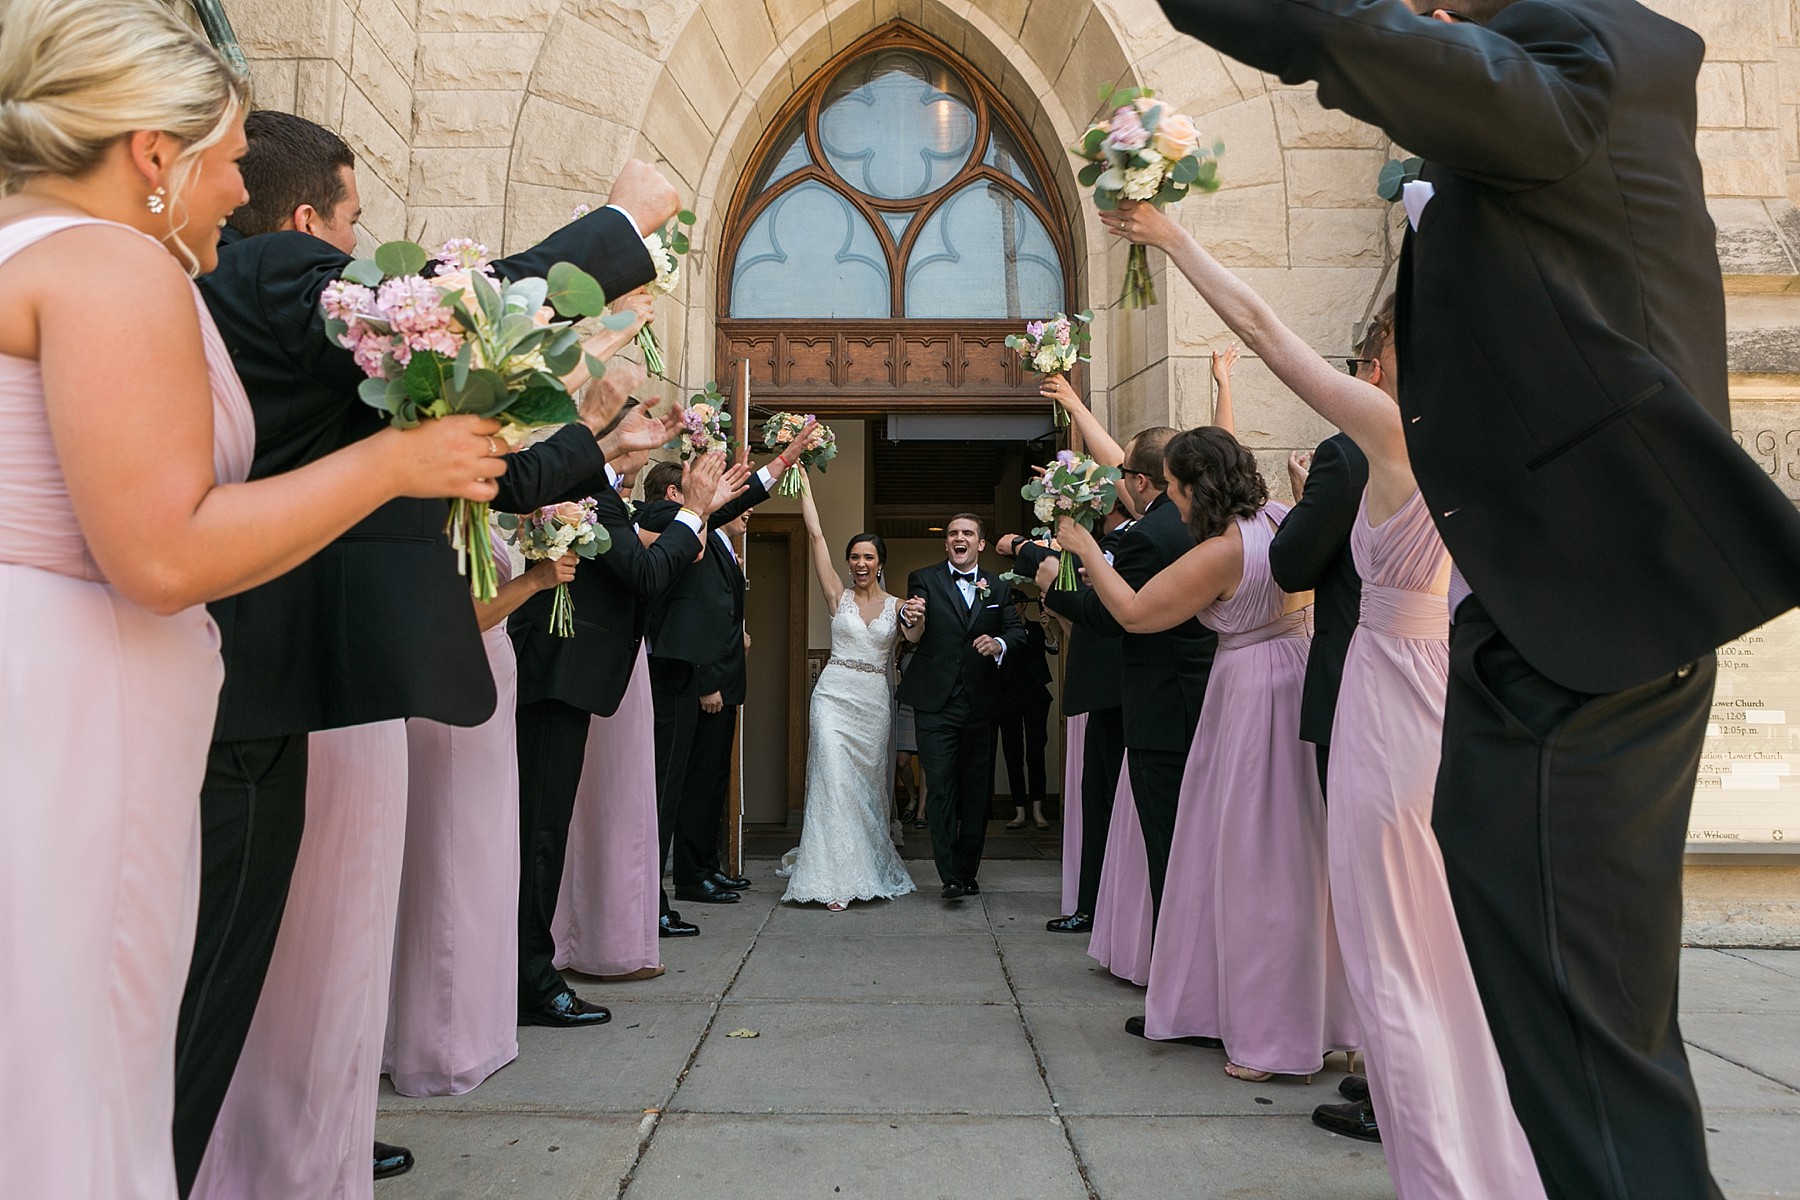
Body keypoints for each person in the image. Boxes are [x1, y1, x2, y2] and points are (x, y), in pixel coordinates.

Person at [1151, 1, 1800, 1193]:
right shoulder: (1569, 78)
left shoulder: (1586, 61)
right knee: (1541, 991)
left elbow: (1373, 49)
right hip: (1527, 630)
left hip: (1580, 627)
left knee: (1572, 1034)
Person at [0, 2, 501, 1196]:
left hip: (58, 686)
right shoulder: (110, 264)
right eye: (228, 159)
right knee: (87, 1051)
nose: (240, 188)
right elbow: (163, 554)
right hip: (87, 706)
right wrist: (393, 463)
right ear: (152, 155)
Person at [181, 109, 671, 1193]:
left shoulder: (290, 359)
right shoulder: (268, 269)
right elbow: (450, 316)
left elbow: (471, 466)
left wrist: (590, 429)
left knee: (272, 958)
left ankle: (293, 1145)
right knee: (228, 976)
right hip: (279, 664)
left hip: (308, 665)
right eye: (353, 228)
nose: (359, 258)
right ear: (306, 218)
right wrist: (616, 223)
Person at [1127, 192, 1545, 1191]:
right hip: (1451, 692)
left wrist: (1174, 238)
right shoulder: (1496, 428)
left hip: (1388, 699)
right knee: (1442, 937)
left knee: (1391, 950)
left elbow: (1272, 337)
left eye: (1381, 342)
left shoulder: (1394, 431)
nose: (1367, 361)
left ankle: (1440, 1167)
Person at [1057, 427, 1358, 1083]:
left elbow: (1136, 614)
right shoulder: (1281, 516)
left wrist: (1083, 549)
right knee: (1299, 861)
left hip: (1252, 696)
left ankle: (1270, 1037)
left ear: (1195, 487)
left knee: (1252, 868)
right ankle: (1327, 1019)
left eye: (1173, 489)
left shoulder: (1225, 551)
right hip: (1295, 677)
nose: (1171, 500)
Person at [512, 416, 732, 1017]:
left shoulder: (601, 495)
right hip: (556, 676)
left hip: (564, 678)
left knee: (544, 831)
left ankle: (527, 968)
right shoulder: (589, 494)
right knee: (540, 833)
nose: (654, 438)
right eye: (638, 426)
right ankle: (530, 978)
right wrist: (692, 509)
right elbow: (646, 575)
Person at [383, 533, 578, 1097]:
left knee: (484, 859)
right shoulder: (437, 518)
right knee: (453, 860)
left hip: (489, 681)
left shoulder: (475, 511)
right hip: (454, 686)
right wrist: (536, 581)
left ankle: (475, 1026)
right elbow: (458, 615)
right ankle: (441, 1045)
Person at [1042, 426, 1212, 925]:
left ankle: (1171, 983)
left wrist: (1056, 586)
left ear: (1142, 481)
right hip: (1204, 693)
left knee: (1166, 847)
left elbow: (1120, 617)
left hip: (1160, 704)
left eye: (1124, 473)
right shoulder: (1209, 524)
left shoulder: (1150, 536)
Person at [638, 442, 804, 911]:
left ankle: (697, 873)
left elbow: (717, 611)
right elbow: (689, 616)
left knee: (704, 784)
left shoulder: (702, 531)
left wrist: (785, 459)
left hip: (704, 676)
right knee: (673, 791)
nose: (726, 502)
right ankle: (657, 898)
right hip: (676, 674)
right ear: (677, 491)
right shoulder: (659, 522)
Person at [779, 476, 917, 910]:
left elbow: (915, 635)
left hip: (873, 703)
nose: (860, 564)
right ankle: (831, 877)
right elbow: (816, 534)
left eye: (868, 557)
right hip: (832, 697)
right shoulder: (836, 596)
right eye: (854, 557)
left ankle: (864, 866)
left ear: (880, 563)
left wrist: (917, 616)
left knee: (866, 788)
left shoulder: (899, 606)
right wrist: (800, 479)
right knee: (832, 781)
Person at [898, 514, 1027, 898]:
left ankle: (968, 870)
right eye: (953, 533)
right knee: (938, 787)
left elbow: (1016, 631)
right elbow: (915, 620)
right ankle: (949, 873)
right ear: (946, 544)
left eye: (967, 533)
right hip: (936, 702)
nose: (959, 538)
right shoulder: (924, 579)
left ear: (980, 543)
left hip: (982, 702)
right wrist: (911, 615)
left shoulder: (1001, 586)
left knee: (976, 791)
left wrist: (999, 645)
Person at [1270, 430, 1367, 799]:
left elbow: (1292, 567)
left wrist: (1309, 503)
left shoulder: (1347, 455)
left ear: (1373, 369)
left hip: (1353, 669)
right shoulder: (1453, 436)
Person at [998, 594, 1056, 831]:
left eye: (1016, 603)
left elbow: (1053, 648)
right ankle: (1019, 811)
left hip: (1035, 696)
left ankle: (1038, 810)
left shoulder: (1035, 627)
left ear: (1023, 606)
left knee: (1035, 752)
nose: (1012, 607)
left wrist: (1047, 629)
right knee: (1013, 753)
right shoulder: (1001, 632)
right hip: (1007, 696)